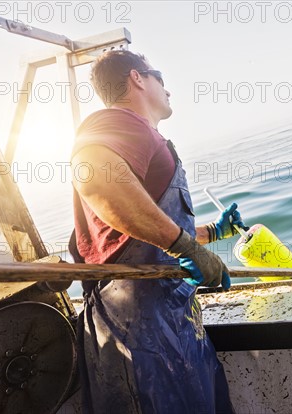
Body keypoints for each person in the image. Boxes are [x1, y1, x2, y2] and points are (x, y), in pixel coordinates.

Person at [69, 50, 244, 413]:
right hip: (139, 333)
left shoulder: (140, 135)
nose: (168, 89)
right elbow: (96, 178)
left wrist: (212, 232)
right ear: (137, 78)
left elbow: (134, 235)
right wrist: (186, 248)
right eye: (159, 76)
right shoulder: (121, 123)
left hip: (171, 325)